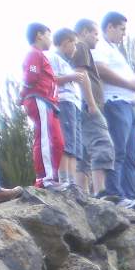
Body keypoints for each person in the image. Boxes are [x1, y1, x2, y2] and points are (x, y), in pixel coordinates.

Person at [92, 11, 135, 207]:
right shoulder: (101, 46)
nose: (124, 34)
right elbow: (100, 69)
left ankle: (129, 195)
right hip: (115, 103)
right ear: (110, 27)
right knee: (118, 150)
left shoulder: (114, 50)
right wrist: (129, 84)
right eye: (121, 29)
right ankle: (115, 194)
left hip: (128, 105)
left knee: (132, 155)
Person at [71, 18, 117, 197]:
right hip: (88, 105)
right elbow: (81, 73)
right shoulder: (81, 46)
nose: (98, 38)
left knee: (83, 152)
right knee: (102, 144)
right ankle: (100, 191)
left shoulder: (77, 49)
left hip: (79, 106)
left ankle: (81, 194)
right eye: (95, 33)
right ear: (84, 32)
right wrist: (91, 103)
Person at [20, 23, 64, 189]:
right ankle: (45, 179)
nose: (50, 40)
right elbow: (30, 77)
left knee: (57, 141)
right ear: (39, 35)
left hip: (49, 103)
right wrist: (23, 94)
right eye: (48, 35)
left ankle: (51, 176)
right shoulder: (34, 54)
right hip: (39, 99)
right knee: (45, 138)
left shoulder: (40, 55)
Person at [46, 28, 87, 185]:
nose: (75, 49)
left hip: (74, 104)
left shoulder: (67, 63)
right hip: (64, 102)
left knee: (75, 145)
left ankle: (72, 180)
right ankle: (64, 178)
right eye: (74, 45)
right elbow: (51, 79)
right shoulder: (53, 58)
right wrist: (71, 77)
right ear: (65, 43)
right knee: (67, 142)